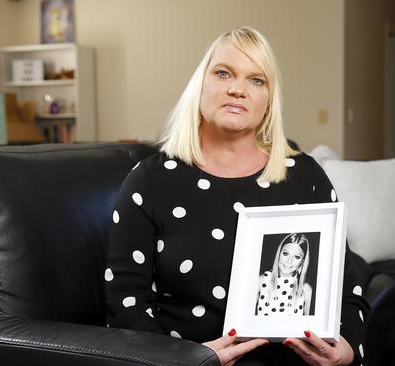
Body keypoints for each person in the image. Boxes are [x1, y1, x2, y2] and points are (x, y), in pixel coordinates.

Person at [105, 27, 369, 365]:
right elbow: (124, 301)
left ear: (269, 101)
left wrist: (347, 348)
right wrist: (189, 359)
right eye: (223, 73)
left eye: (256, 80)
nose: (237, 89)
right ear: (201, 84)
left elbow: (346, 282)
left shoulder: (305, 176)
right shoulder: (149, 181)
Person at [256, 233, 312, 316]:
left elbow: (310, 327)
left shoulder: (306, 290)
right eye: (285, 254)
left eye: (297, 257)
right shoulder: (261, 281)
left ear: (302, 261)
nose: (289, 261)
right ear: (279, 253)